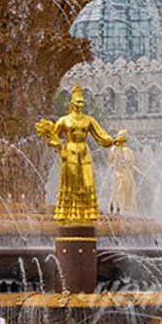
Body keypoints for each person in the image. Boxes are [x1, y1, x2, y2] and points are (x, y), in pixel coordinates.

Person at [36, 86, 118, 223]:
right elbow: (53, 137)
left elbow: (100, 135)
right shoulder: (64, 120)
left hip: (84, 152)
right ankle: (69, 212)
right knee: (72, 183)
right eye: (78, 102)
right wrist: (56, 144)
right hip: (70, 152)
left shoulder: (88, 120)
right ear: (72, 103)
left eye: (82, 102)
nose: (80, 105)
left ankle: (88, 212)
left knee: (88, 180)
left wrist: (111, 141)